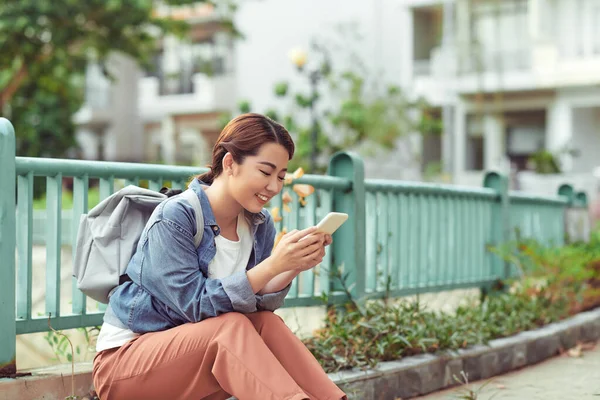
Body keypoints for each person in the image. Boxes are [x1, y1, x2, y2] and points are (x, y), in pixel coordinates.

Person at [92, 113, 347, 400]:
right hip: (126, 365)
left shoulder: (259, 223)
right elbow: (195, 305)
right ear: (229, 164)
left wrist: (291, 266)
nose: (274, 187)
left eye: (281, 176)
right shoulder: (176, 216)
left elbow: (256, 302)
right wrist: (274, 264)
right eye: (265, 172)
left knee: (266, 324)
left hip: (198, 363)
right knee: (231, 326)